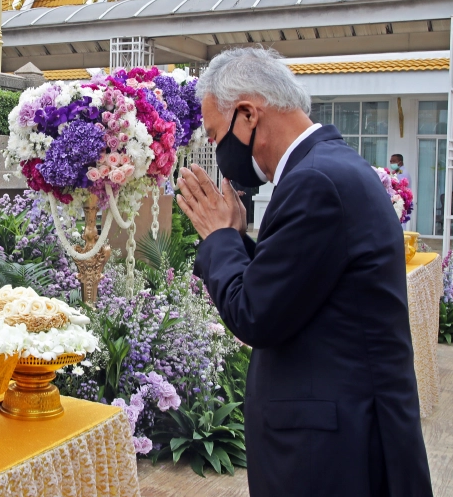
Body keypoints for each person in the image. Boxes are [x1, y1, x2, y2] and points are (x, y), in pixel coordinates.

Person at [175, 47, 431, 497]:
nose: (218, 152)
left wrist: (218, 239)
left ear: (248, 115)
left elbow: (256, 314)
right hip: (342, 435)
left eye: (216, 137)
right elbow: (298, 282)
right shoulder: (327, 168)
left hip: (331, 453)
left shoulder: (316, 182)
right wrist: (236, 237)